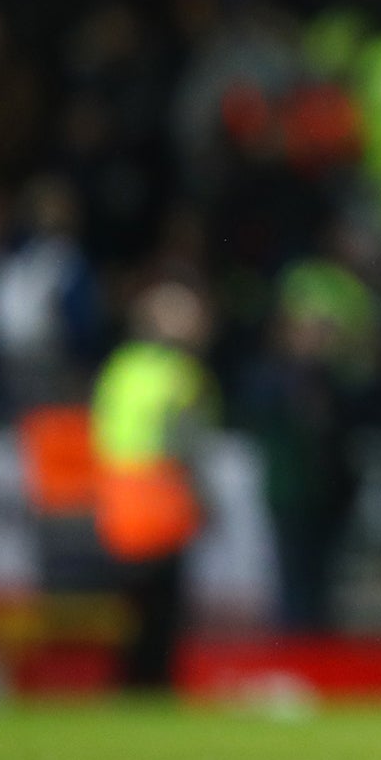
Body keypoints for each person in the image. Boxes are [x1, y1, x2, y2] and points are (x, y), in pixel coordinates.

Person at [91, 280, 215, 690]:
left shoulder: (121, 368)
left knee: (128, 614)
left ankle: (125, 687)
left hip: (118, 505)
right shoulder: (180, 374)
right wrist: (204, 499)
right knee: (161, 617)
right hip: (162, 503)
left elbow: (103, 433)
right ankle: (153, 687)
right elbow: (185, 445)